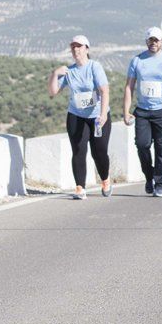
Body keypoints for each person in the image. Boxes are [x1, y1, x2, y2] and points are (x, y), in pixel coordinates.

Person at [47, 34, 112, 200]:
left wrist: (103, 114)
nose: (76, 49)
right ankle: (80, 187)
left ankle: (105, 179)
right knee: (78, 150)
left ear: (87, 49)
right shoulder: (69, 71)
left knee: (99, 152)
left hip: (98, 116)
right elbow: (53, 92)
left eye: (80, 46)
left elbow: (104, 90)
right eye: (73, 46)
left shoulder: (94, 67)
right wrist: (55, 73)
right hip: (77, 115)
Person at [123, 27, 162, 198]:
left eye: (156, 40)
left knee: (161, 147)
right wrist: (126, 111)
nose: (153, 43)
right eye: (150, 40)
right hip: (142, 111)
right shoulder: (137, 60)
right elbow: (129, 87)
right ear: (146, 41)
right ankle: (149, 177)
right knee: (142, 144)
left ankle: (160, 183)